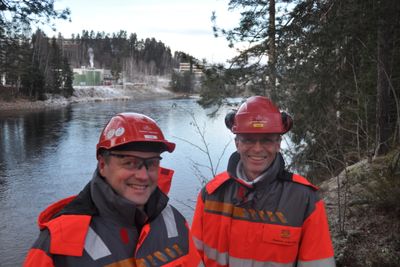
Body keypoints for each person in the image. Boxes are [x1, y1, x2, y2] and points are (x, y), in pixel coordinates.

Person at [24, 112, 203, 267]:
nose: (143, 175)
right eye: (130, 163)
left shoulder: (174, 222)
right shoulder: (58, 243)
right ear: (103, 165)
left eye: (152, 163)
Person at [191, 96, 335, 267]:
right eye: (248, 139)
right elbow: (193, 258)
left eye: (266, 139)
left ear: (278, 144)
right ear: (237, 143)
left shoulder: (304, 199)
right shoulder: (212, 194)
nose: (258, 148)